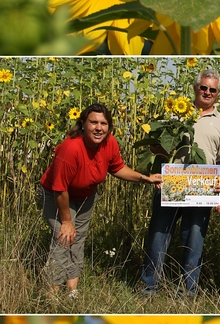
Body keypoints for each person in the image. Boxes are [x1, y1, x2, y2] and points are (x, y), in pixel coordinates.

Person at [39, 103, 162, 297]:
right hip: (59, 197)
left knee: (77, 239)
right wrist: (66, 221)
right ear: (83, 124)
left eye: (103, 123)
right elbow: (59, 189)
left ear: (109, 127)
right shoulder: (71, 149)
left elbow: (117, 167)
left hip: (86, 196)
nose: (98, 128)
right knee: (63, 239)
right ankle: (51, 297)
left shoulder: (109, 143)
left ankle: (72, 293)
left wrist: (144, 178)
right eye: (93, 122)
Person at [140, 68, 220, 296]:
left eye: (213, 89)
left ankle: (188, 290)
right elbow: (156, 144)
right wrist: (158, 168)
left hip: (202, 187)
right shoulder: (176, 115)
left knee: (194, 239)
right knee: (159, 235)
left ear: (218, 93)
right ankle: (149, 287)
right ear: (195, 88)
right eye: (204, 88)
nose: (208, 92)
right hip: (171, 183)